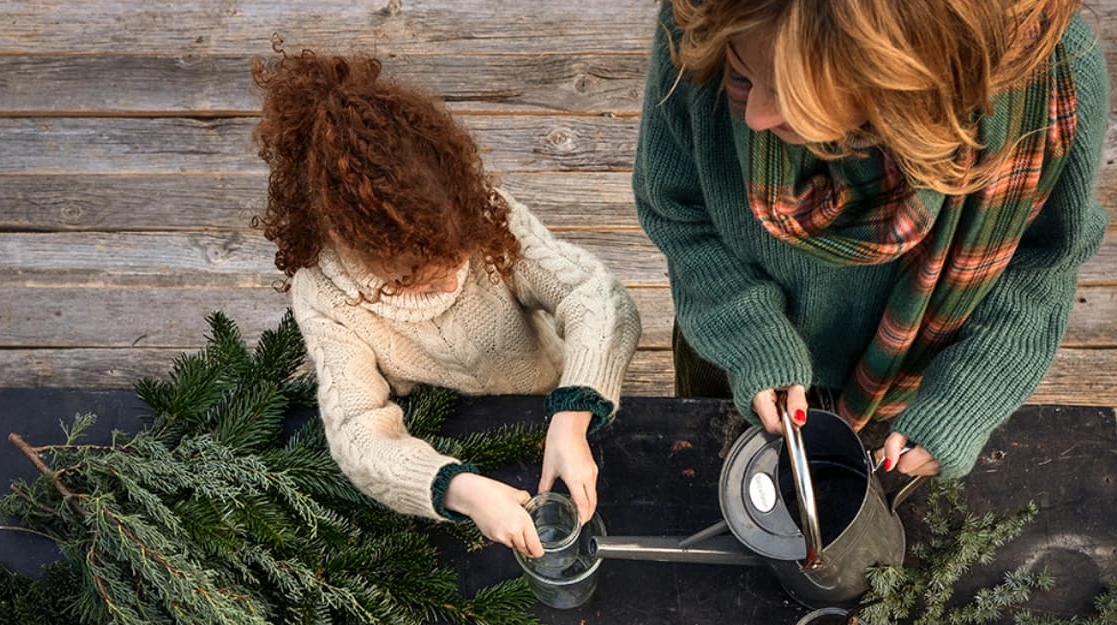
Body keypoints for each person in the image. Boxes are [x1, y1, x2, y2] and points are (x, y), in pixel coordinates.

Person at [633, 0, 1107, 478]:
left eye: (795, 99)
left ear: (909, 90)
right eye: (743, 71)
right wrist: (750, 339)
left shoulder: (1053, 90)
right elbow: (677, 208)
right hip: (728, 348)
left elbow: (1043, 264)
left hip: (908, 387)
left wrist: (968, 393)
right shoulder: (709, 19)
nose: (754, 115)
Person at [252, 50, 641, 557]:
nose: (448, 282)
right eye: (413, 277)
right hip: (448, 435)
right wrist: (458, 489)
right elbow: (357, 431)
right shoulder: (325, 296)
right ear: (350, 246)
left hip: (555, 404)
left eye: (455, 257)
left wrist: (573, 413)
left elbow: (593, 293)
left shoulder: (483, 216)